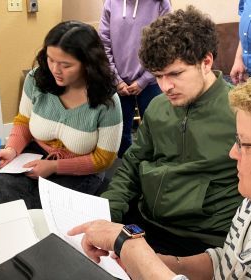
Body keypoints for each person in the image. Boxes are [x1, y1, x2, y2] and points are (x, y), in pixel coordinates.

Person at [69, 65, 251, 280]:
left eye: (244, 144)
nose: (233, 152)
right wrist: (156, 263)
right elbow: (227, 263)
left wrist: (131, 247)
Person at [100, 6, 241, 257]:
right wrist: (108, 210)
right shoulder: (157, 107)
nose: (165, 86)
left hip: (201, 238)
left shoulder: (241, 112)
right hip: (146, 220)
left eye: (175, 74)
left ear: (206, 62)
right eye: (158, 76)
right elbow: (133, 162)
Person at [0, 21, 123, 209]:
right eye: (50, 59)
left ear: (88, 64)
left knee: (44, 206)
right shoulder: (36, 79)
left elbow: (103, 159)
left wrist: (55, 167)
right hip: (37, 155)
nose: (55, 70)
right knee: (1, 186)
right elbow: (23, 122)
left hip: (82, 169)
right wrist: (11, 150)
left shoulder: (107, 101)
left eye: (66, 65)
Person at [99, 0, 172, 157]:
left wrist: (144, 80)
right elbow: (104, 44)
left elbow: (166, 46)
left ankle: (155, 172)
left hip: (151, 82)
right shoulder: (111, 3)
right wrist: (116, 80)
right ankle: (125, 174)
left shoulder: (160, 3)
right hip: (118, 83)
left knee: (157, 133)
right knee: (120, 138)